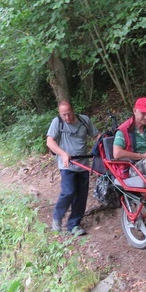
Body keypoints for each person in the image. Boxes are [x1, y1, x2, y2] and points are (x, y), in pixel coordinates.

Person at [46, 100, 99, 236]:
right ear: (60, 114)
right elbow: (50, 141)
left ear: (73, 110)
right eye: (64, 115)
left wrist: (104, 145)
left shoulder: (84, 121)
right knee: (69, 191)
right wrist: (63, 154)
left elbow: (97, 136)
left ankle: (73, 225)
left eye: (69, 114)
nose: (67, 118)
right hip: (67, 165)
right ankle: (57, 218)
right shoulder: (57, 122)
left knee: (81, 196)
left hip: (83, 165)